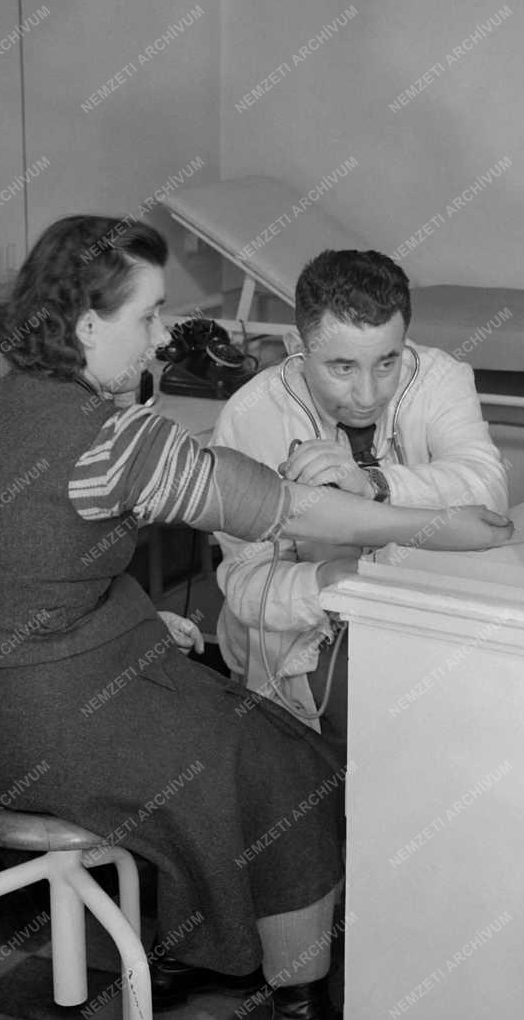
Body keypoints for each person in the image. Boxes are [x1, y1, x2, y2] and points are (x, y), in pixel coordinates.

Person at [0, 215, 510, 1020]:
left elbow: (19, 563)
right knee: (292, 769)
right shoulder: (114, 439)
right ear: (87, 326)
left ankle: (202, 936)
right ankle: (300, 1014)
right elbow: (292, 509)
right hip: (59, 721)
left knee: (227, 730)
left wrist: (136, 622)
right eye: (149, 316)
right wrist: (453, 527)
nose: (165, 336)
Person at [212, 249, 508, 748]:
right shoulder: (251, 416)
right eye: (343, 368)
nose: (368, 395)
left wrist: (376, 485)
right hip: (307, 637)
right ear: (297, 348)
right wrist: (333, 579)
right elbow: (246, 585)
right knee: (395, 732)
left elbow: (488, 493)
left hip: (417, 613)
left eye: (387, 362)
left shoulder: (439, 378)